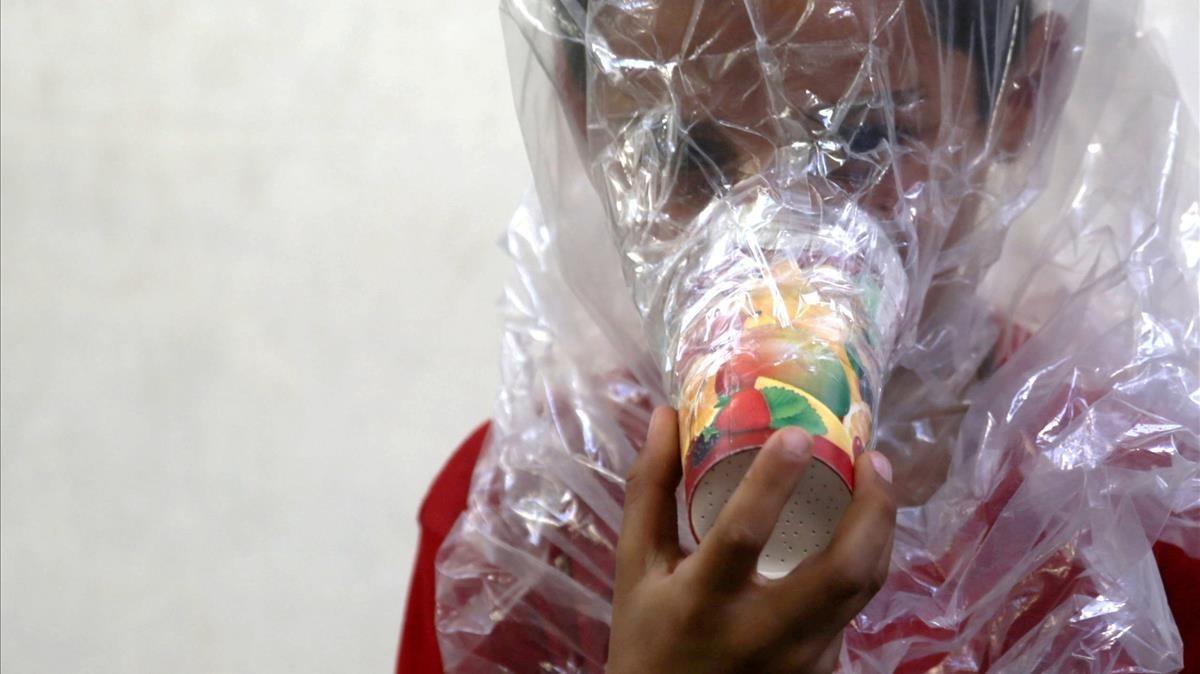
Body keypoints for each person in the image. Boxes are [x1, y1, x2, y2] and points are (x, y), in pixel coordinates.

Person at [399, 1, 1199, 672]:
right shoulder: (527, 543)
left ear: (1022, 89)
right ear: (585, 120)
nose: (769, 246)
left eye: (862, 142)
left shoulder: (1136, 511)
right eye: (686, 152)